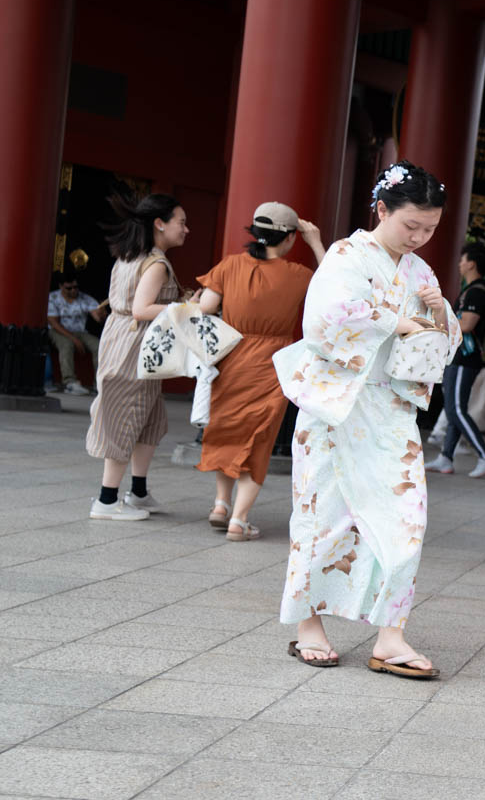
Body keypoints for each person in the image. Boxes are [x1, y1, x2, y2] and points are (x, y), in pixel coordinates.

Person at [274, 161, 456, 675]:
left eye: (430, 229)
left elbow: (438, 340)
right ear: (382, 209)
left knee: (406, 517)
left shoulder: (420, 272)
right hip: (338, 406)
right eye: (411, 226)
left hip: (392, 409)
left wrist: (438, 314)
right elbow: (324, 320)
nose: (420, 238)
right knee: (324, 512)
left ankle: (391, 636)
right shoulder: (347, 255)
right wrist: (395, 320)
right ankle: (308, 622)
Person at [195, 204, 325, 540]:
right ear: (289, 238)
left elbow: (206, 307)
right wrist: (315, 242)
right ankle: (239, 519)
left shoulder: (230, 265)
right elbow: (335, 288)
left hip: (231, 356)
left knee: (226, 428)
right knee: (259, 439)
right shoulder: (298, 275)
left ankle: (221, 505)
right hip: (274, 362)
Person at [85, 191, 188, 521]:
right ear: (160, 224)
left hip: (123, 340)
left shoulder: (130, 254)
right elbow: (143, 309)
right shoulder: (155, 262)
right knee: (126, 416)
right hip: (134, 346)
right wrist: (188, 308)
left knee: (149, 418)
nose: (186, 230)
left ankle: (139, 492)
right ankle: (107, 500)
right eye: (181, 223)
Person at [426, 242, 485, 478]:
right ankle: (446, 457)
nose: (459, 263)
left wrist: (438, 324)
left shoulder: (477, 291)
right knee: (453, 409)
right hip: (460, 357)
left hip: (465, 358)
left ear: (471, 263)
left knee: (457, 409)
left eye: (462, 259)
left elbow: (467, 325)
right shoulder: (475, 289)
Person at [47, 278, 107, 393]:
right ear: (61, 287)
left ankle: (98, 383)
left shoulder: (84, 298)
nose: (73, 290)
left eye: (76, 287)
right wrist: (74, 339)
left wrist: (101, 315)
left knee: (98, 346)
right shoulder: (53, 298)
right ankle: (69, 382)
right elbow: (54, 323)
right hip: (58, 330)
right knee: (66, 345)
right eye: (69, 288)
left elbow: (97, 317)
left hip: (80, 331)